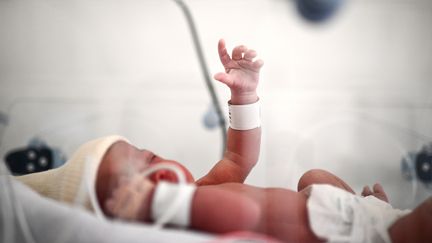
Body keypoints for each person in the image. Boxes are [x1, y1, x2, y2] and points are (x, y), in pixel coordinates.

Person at [16, 39, 432, 243]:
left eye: (149, 157)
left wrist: (244, 95)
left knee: (314, 175)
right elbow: (241, 213)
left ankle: (380, 211)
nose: (155, 178)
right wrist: (156, 205)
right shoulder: (187, 216)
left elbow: (238, 154)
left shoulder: (202, 188)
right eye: (137, 184)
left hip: (347, 217)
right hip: (356, 237)